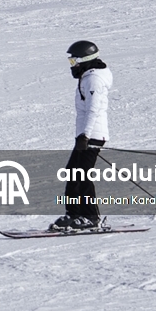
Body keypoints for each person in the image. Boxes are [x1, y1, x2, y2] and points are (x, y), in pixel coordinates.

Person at [50, 40, 112, 231]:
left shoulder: (94, 80)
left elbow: (93, 110)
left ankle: (91, 217)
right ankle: (74, 215)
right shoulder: (88, 77)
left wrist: (85, 136)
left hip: (92, 134)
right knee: (73, 172)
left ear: (85, 59)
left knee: (82, 175)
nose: (73, 65)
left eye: (74, 61)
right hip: (85, 135)